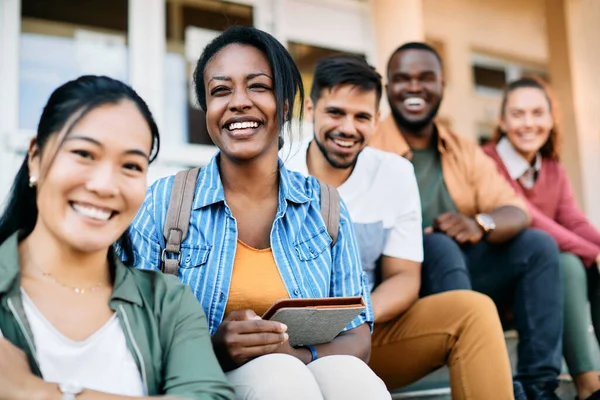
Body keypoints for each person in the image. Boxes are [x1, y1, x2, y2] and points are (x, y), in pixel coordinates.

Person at [129, 26, 390, 400]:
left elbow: (357, 336)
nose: (238, 102)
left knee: (352, 377)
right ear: (207, 111)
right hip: (202, 383)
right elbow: (133, 331)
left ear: (284, 106)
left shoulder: (325, 207)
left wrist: (297, 354)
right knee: (279, 375)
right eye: (221, 90)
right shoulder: (164, 204)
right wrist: (212, 347)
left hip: (303, 377)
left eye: (258, 86)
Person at [284, 54, 519, 399]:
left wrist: (348, 319)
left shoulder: (394, 172)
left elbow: (404, 277)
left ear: (377, 119)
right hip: (287, 340)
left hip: (364, 334)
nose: (348, 128)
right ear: (310, 110)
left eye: (361, 116)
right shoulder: (277, 170)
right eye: (335, 112)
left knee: (474, 310)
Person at [0, 76, 233, 399]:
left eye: (131, 166)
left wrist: (37, 392)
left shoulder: (167, 303)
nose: (105, 186)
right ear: (35, 157)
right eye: (84, 153)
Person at [368, 42, 563, 400]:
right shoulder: (368, 145)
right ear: (387, 87)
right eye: (402, 79)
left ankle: (539, 388)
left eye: (425, 78)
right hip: (399, 282)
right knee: (438, 243)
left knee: (539, 246)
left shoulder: (461, 148)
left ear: (442, 85)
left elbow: (515, 209)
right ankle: (499, 380)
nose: (414, 87)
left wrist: (480, 223)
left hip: (463, 277)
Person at [483, 76, 600, 400]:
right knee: (569, 262)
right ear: (502, 121)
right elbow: (534, 222)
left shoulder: (552, 167)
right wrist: (593, 253)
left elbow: (573, 220)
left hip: (546, 278)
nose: (529, 123)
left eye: (537, 113)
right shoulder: (487, 162)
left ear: (551, 119)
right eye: (518, 114)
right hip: (511, 280)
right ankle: (588, 384)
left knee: (588, 263)